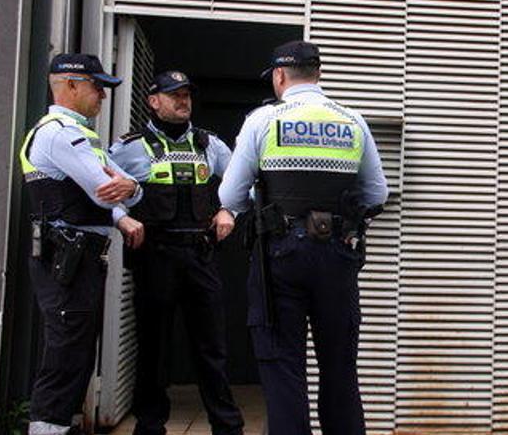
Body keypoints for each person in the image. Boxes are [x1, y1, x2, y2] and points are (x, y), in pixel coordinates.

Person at [216, 41, 388, 435]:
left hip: (280, 254)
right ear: (318, 74)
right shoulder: (352, 120)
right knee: (340, 366)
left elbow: (230, 197)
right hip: (338, 254)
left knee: (282, 365)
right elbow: (377, 194)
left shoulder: (263, 120)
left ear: (279, 76)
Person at [107, 71, 244, 435]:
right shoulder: (127, 148)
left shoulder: (210, 145)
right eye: (174, 95)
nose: (183, 101)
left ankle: (227, 427)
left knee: (212, 349)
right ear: (153, 101)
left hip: (200, 257)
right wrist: (122, 220)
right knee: (154, 348)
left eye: (187, 95)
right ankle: (150, 426)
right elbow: (102, 192)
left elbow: (240, 184)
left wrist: (228, 210)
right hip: (156, 257)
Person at [19, 53, 142, 435]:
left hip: (77, 259)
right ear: (71, 85)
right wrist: (128, 193)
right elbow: (106, 190)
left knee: (76, 355)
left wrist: (131, 190)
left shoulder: (81, 135)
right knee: (65, 358)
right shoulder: (61, 133)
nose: (103, 96)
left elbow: (124, 189)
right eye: (97, 86)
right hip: (66, 259)